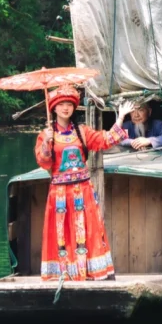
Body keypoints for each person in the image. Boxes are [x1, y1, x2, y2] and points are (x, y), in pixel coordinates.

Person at [34, 88, 128, 281]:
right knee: (62, 232)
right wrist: (46, 144)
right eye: (61, 104)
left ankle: (91, 272)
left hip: (83, 192)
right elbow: (44, 163)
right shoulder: (46, 134)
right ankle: (63, 274)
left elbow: (104, 140)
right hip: (59, 194)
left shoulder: (83, 132)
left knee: (88, 230)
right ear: (53, 108)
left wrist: (121, 119)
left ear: (74, 107)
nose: (65, 108)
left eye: (69, 104)